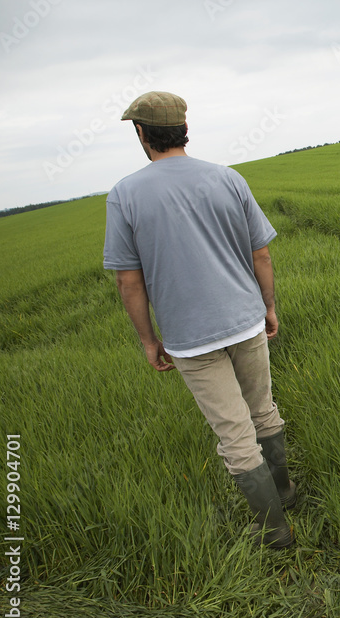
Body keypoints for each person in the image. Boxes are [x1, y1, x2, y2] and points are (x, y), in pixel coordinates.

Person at [103, 91, 295, 548]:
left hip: (190, 339)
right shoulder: (227, 178)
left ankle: (274, 532)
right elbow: (261, 253)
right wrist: (268, 306)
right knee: (262, 409)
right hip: (247, 320)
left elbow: (129, 283)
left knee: (234, 432)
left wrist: (149, 341)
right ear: (184, 129)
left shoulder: (124, 195)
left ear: (141, 132)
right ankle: (286, 492)